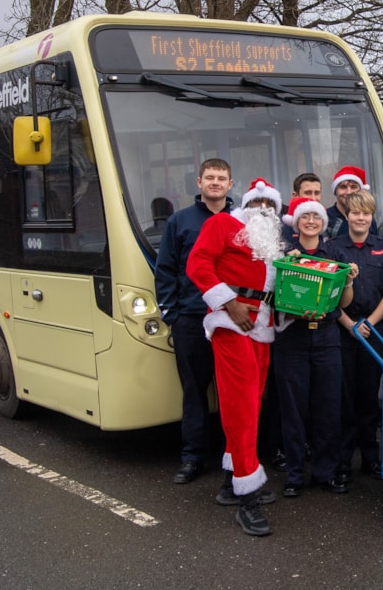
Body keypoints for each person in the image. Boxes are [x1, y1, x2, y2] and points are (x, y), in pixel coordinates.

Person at [186, 177, 286, 537]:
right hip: (231, 323)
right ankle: (248, 497)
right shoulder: (222, 224)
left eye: (270, 205)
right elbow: (197, 265)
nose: (263, 209)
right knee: (242, 406)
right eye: (257, 203)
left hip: (262, 327)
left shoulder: (271, 240)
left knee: (248, 406)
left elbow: (274, 288)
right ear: (246, 203)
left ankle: (231, 482)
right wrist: (229, 304)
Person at [156, 158, 234, 486]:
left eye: (222, 178)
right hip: (191, 319)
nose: (215, 183)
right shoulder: (180, 221)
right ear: (199, 182)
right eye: (210, 178)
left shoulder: (241, 219)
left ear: (231, 185)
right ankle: (193, 457)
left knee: (234, 393)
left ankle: (236, 457)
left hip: (234, 319)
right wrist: (172, 315)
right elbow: (166, 269)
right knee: (194, 390)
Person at [273, 196, 357, 498]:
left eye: (317, 217)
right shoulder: (285, 254)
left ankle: (325, 472)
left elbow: (343, 303)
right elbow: (275, 296)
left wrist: (347, 282)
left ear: (323, 222)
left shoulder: (334, 252)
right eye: (305, 217)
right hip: (292, 339)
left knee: (328, 408)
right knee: (293, 411)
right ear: (296, 222)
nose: (311, 221)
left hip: (326, 339)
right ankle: (294, 475)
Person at [323, 190, 383, 482]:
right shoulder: (333, 248)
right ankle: (342, 462)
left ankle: (370, 456)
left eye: (365, 213)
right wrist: (350, 324)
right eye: (355, 212)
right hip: (342, 331)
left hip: (374, 329)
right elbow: (328, 295)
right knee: (344, 398)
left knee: (369, 398)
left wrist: (370, 321)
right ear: (347, 215)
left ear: (372, 215)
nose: (360, 218)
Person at [324, 165, 379, 239]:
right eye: (343, 187)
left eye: (353, 187)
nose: (349, 192)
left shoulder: (368, 220)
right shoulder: (325, 218)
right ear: (335, 191)